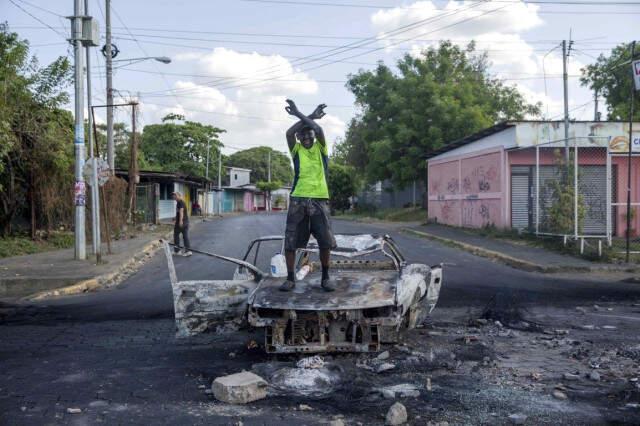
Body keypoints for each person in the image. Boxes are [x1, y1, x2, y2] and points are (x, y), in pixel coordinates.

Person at [280, 99, 336, 292]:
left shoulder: (321, 149)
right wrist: (305, 115)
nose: (306, 137)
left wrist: (306, 116)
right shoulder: (296, 150)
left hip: (320, 199)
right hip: (298, 200)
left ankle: (325, 278)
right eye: (302, 135)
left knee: (325, 240)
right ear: (298, 137)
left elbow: (319, 130)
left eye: (309, 134)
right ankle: (290, 278)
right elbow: (288, 133)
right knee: (291, 240)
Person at [172, 191, 192, 256]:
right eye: (173, 195)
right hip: (185, 222)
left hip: (182, 222)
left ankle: (178, 251)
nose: (174, 196)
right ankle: (187, 251)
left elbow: (181, 212)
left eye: (175, 195)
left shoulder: (180, 202)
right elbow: (179, 212)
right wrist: (175, 218)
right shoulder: (179, 203)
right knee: (184, 236)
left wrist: (180, 221)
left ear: (179, 196)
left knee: (176, 235)